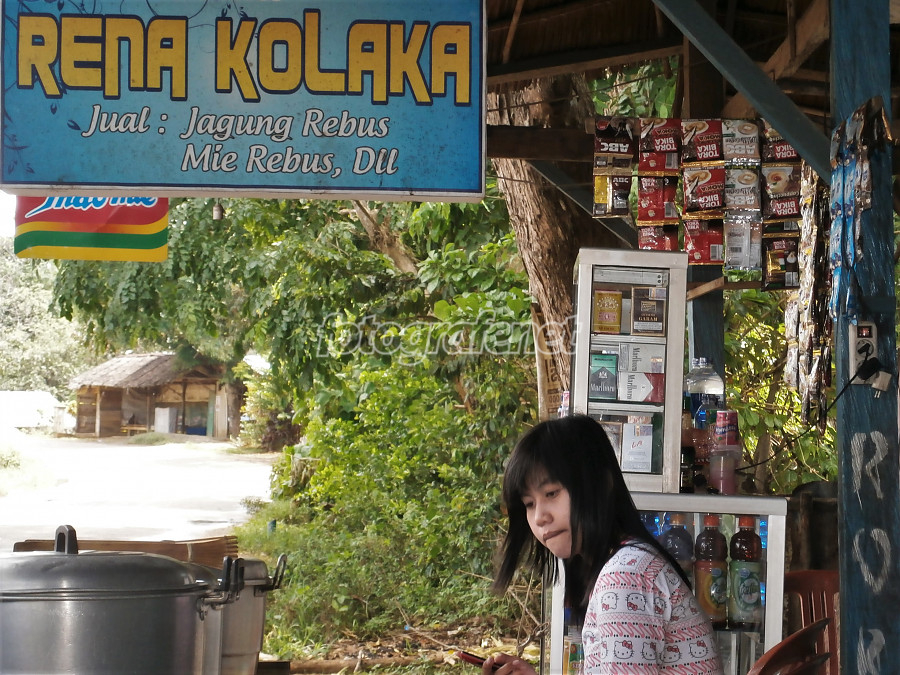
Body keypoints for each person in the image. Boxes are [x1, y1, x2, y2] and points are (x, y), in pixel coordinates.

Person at [482, 415, 723, 674]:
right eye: (529, 504)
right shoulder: (628, 564)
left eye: (551, 493)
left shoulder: (626, 575)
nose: (540, 517)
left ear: (601, 484)